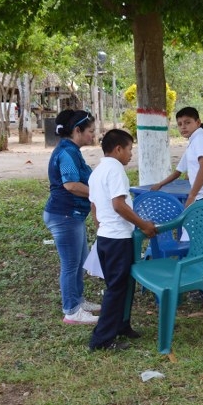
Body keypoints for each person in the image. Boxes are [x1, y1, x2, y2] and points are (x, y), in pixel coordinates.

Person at [152, 107, 203, 303]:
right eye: (179, 124)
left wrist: (192, 195)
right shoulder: (193, 143)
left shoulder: (202, 139)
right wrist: (160, 184)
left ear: (198, 122)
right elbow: (179, 171)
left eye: (187, 122)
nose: (183, 127)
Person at [88, 130, 158, 351]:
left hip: (106, 238)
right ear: (118, 149)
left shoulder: (97, 171)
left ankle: (122, 325)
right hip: (118, 239)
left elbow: (94, 206)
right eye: (129, 149)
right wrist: (143, 224)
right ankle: (102, 340)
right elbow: (119, 205)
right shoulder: (116, 169)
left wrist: (100, 227)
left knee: (123, 284)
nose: (131, 155)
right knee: (117, 288)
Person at [43, 109, 101, 325]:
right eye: (90, 131)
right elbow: (71, 185)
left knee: (78, 262)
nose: (92, 136)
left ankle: (78, 301)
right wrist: (98, 193)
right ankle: (71, 311)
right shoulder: (66, 153)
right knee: (70, 264)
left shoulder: (72, 150)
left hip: (71, 215)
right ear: (77, 130)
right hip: (64, 216)